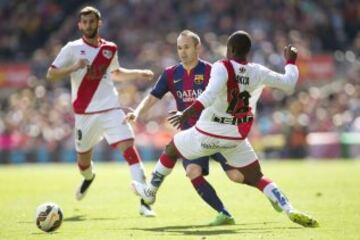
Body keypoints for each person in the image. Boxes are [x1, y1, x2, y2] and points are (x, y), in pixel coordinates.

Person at [132, 30, 319, 227]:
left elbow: (210, 94)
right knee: (257, 177)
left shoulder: (221, 66)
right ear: (248, 51)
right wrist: (290, 62)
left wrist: (186, 113)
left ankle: (150, 193)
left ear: (229, 49)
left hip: (207, 131)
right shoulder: (258, 71)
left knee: (172, 148)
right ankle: (289, 207)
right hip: (236, 136)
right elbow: (289, 84)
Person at [127, 30, 245, 225]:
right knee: (192, 171)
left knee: (237, 176)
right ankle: (224, 214)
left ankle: (269, 191)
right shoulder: (171, 74)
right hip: (191, 135)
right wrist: (138, 112)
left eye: (187, 47)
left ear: (198, 48)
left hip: (216, 131)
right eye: (179, 48)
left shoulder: (211, 71)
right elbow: (153, 96)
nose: (182, 52)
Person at [46, 6, 155, 217]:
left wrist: (138, 73)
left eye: (91, 22)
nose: (88, 25)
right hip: (84, 115)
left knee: (129, 147)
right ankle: (88, 177)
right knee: (83, 163)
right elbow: (51, 74)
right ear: (79, 25)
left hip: (110, 108)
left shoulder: (110, 48)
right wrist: (74, 67)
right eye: (84, 22)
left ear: (99, 23)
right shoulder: (72, 48)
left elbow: (115, 73)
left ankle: (145, 202)